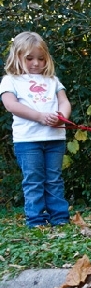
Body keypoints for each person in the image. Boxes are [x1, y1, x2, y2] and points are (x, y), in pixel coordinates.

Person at [0, 32, 72, 228]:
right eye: (29, 58)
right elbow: (11, 105)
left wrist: (61, 117)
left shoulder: (53, 80)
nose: (36, 63)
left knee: (54, 179)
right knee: (33, 180)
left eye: (41, 58)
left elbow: (64, 101)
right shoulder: (11, 80)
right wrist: (40, 117)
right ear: (17, 57)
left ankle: (59, 218)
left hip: (55, 138)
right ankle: (36, 220)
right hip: (27, 140)